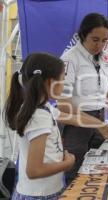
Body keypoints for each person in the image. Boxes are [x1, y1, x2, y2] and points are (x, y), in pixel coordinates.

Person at [58, 13, 108, 184]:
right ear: (83, 35)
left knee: (98, 172)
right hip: (76, 124)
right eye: (95, 39)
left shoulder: (107, 59)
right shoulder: (69, 59)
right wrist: (98, 124)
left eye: (104, 40)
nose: (99, 45)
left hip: (100, 118)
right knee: (74, 173)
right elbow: (64, 105)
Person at [4, 53, 75, 199]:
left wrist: (100, 125)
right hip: (40, 196)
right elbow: (34, 171)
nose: (64, 84)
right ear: (50, 82)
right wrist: (67, 164)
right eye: (62, 80)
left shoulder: (42, 108)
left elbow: (71, 118)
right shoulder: (39, 116)